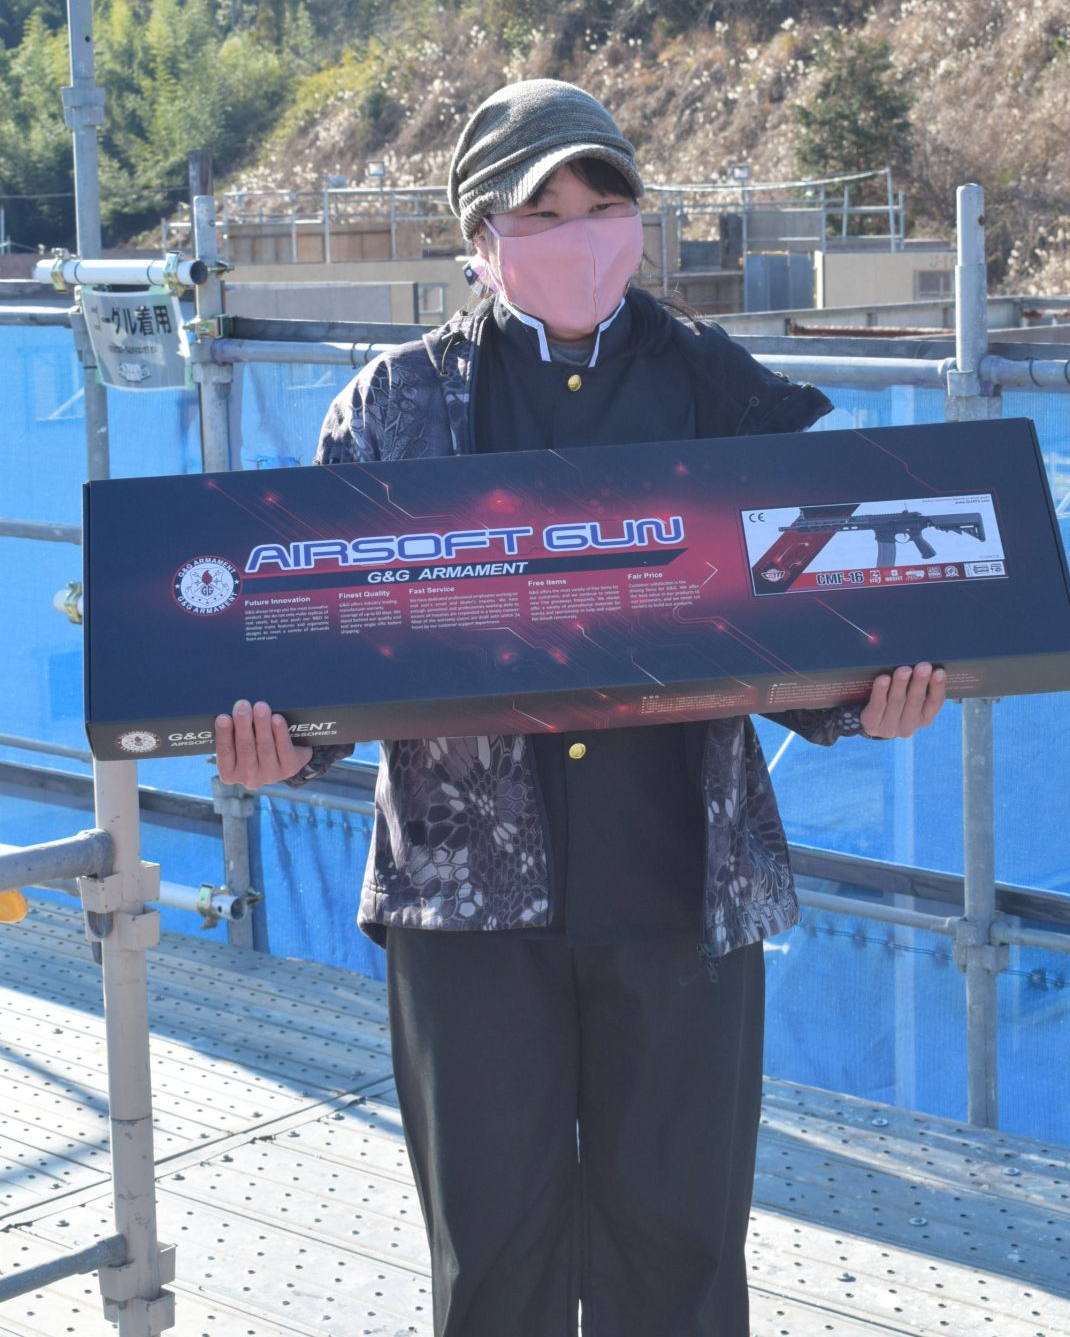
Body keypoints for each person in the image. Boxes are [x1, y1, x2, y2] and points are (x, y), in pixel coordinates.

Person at [215, 78, 945, 1337]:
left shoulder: (721, 390)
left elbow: (812, 592)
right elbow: (328, 632)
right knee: (491, 1255)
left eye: (602, 204)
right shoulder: (392, 407)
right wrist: (281, 744)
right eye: (539, 212)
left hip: (677, 886)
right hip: (465, 904)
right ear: (478, 234)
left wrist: (863, 699)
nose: (578, 236)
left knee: (681, 1253)